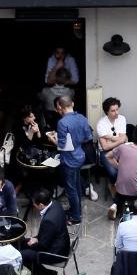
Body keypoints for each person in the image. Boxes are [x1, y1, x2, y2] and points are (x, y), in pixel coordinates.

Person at [46, 94, 91, 226]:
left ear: (60, 107)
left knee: (71, 189)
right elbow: (88, 137)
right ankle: (76, 210)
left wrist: (51, 139)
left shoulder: (62, 122)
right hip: (80, 156)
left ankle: (76, 216)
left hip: (69, 159)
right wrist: (76, 141)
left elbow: (61, 145)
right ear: (72, 104)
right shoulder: (82, 118)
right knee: (76, 185)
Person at [106, 123, 137, 220]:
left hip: (120, 189)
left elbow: (108, 156)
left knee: (122, 188)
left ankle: (116, 204)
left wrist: (119, 166)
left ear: (133, 136)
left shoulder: (122, 148)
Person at [21, 188, 70, 275]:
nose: (33, 205)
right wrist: (36, 239)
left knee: (23, 255)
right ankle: (46, 272)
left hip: (56, 253)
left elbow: (43, 245)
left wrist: (34, 243)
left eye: (34, 204)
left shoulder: (49, 220)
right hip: (60, 242)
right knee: (24, 243)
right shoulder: (55, 203)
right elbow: (47, 235)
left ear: (41, 205)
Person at [96, 96, 128, 212]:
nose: (116, 113)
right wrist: (120, 140)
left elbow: (124, 139)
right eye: (113, 111)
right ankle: (116, 192)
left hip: (122, 149)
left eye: (117, 109)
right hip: (106, 152)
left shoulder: (122, 119)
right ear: (107, 112)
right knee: (114, 172)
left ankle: (121, 194)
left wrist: (109, 137)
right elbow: (105, 146)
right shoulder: (101, 124)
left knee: (128, 169)